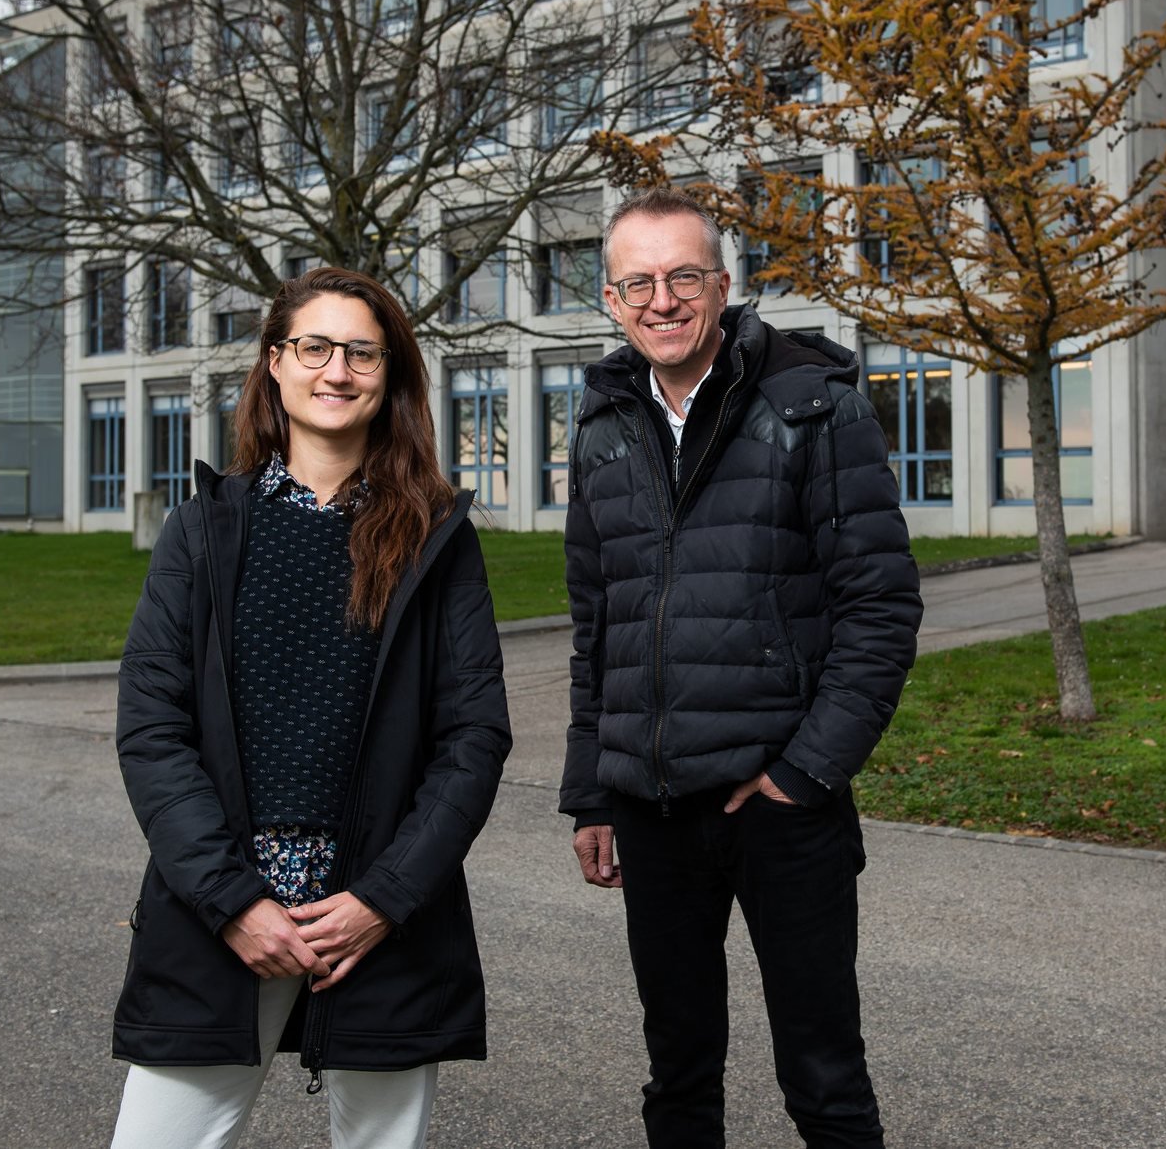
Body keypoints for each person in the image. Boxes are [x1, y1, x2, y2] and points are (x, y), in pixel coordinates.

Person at [111, 267, 511, 1149]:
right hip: (223, 912)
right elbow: (152, 728)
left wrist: (383, 898)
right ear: (276, 365)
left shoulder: (436, 539)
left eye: (362, 351)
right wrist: (231, 900)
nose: (337, 370)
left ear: (389, 375)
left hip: (379, 914)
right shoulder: (206, 530)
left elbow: (473, 738)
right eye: (315, 347)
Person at [559, 187, 922, 1148]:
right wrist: (593, 794)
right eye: (638, 282)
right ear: (610, 298)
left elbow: (879, 609)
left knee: (824, 1077)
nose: (662, 300)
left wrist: (804, 775)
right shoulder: (600, 424)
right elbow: (598, 625)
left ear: (723, 284)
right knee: (678, 1074)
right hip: (652, 805)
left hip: (782, 806)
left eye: (684, 276)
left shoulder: (813, 408)